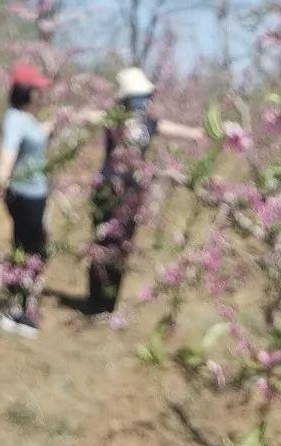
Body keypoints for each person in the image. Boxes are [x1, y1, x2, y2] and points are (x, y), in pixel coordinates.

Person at [83, 66, 201, 317]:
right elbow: (90, 117)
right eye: (140, 96)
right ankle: (94, 301)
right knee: (102, 244)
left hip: (133, 194)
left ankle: (109, 304)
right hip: (107, 190)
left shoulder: (148, 123)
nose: (145, 101)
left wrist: (197, 134)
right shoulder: (113, 118)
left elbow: (173, 129)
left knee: (122, 247)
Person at [0, 60, 54, 338]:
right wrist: (1, 174)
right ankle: (14, 311)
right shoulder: (15, 119)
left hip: (36, 195)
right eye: (36, 90)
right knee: (29, 252)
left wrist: (55, 124)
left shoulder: (28, 118)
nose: (40, 95)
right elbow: (8, 151)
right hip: (24, 196)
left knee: (34, 250)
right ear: (26, 92)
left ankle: (20, 304)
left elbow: (36, 137)